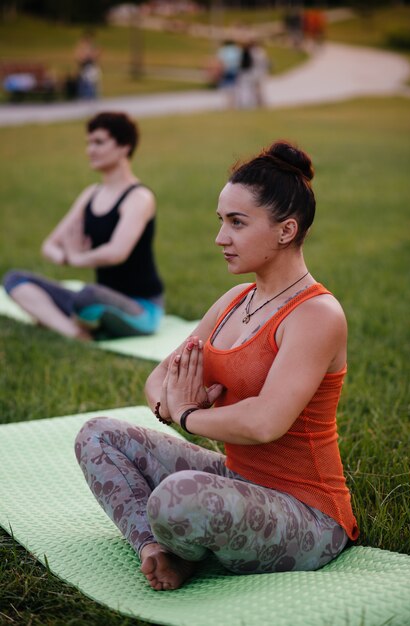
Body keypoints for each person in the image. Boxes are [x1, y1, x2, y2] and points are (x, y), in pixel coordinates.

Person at [74, 140, 359, 591]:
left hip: (307, 514)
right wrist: (174, 405)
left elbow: (266, 422)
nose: (220, 237)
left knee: (176, 497)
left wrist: (189, 414)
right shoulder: (235, 302)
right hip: (236, 482)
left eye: (237, 223)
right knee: (98, 435)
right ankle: (158, 550)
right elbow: (157, 380)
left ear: (285, 231)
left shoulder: (316, 316)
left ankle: (182, 543)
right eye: (221, 221)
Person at [3, 111, 164, 340]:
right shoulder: (91, 194)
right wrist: (66, 257)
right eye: (88, 143)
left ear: (124, 147)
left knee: (86, 296)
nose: (90, 150)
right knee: (15, 279)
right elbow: (49, 245)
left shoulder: (139, 197)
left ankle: (65, 322)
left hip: (140, 310)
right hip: (98, 301)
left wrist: (79, 258)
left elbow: (117, 252)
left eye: (99, 142)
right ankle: (75, 333)